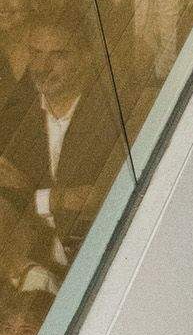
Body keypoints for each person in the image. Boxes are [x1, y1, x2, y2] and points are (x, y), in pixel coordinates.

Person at [0, 15, 122, 271]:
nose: (42, 67)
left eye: (58, 56)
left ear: (85, 58)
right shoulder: (18, 116)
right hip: (37, 265)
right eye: (36, 53)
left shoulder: (109, 114)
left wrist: (33, 195)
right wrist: (61, 198)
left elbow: (106, 198)